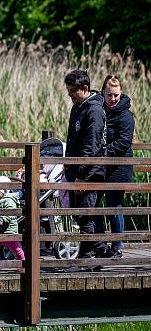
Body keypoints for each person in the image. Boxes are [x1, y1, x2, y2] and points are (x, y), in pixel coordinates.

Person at [63, 69, 109, 258]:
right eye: (68, 90)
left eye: (73, 90)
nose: (70, 94)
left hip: (90, 171)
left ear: (85, 88)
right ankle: (97, 250)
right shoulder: (78, 107)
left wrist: (82, 174)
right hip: (77, 170)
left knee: (85, 214)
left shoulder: (95, 110)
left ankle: (92, 253)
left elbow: (92, 146)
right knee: (80, 214)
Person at [98, 75, 135, 258]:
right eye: (109, 95)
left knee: (114, 205)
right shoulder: (100, 111)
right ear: (103, 93)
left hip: (119, 166)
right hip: (103, 166)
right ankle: (99, 243)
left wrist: (102, 152)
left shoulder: (125, 115)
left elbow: (123, 142)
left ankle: (117, 245)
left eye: (116, 95)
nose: (113, 99)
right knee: (95, 203)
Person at [0, 175, 25, 262]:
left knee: (16, 249)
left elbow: (11, 214)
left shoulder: (9, 200)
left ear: (4, 190)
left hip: (9, 231)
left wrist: (1, 220)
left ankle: (23, 262)